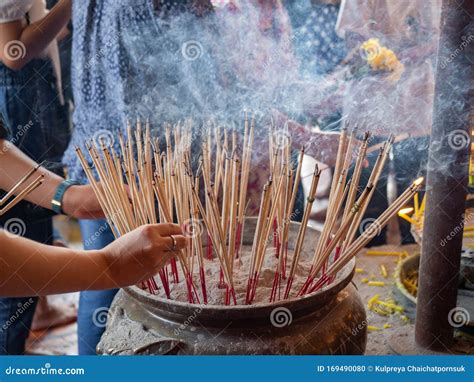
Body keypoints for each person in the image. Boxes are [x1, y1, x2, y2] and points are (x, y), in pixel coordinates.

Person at [0, 0, 74, 354]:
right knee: (22, 255)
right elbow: (12, 52)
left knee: (34, 235)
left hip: (32, 106)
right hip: (18, 109)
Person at [335, 0, 440, 245]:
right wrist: (379, 56)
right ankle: (365, 248)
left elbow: (440, 37)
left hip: (417, 91)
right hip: (371, 92)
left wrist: (414, 52)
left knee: (415, 178)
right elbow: (353, 36)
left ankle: (415, 247)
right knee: (367, 179)